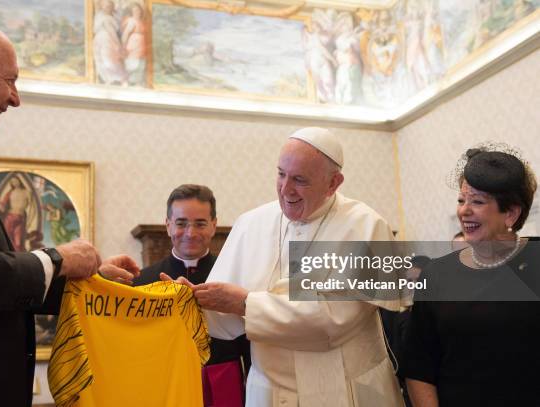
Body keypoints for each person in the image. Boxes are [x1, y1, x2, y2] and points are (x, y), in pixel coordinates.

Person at [0, 14, 138, 406]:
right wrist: (61, 261)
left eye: (294, 177)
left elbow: (295, 312)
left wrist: (86, 280)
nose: (15, 98)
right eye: (10, 80)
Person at [166, 128, 405, 406]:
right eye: (281, 174)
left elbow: (333, 322)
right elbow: (223, 320)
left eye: (300, 180)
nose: (286, 189)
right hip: (270, 393)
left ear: (333, 183)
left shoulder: (368, 225)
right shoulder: (250, 223)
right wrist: (193, 300)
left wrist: (245, 304)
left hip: (347, 389)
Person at [403, 143, 540, 407]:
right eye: (461, 200)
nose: (464, 210)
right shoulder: (437, 274)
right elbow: (419, 365)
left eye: (477, 201)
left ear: (511, 213)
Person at [135, 184, 250, 407]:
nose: (190, 233)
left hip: (223, 381)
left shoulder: (235, 275)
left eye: (200, 224)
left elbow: (250, 343)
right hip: (164, 382)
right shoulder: (141, 281)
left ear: (214, 225)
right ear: (168, 225)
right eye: (181, 223)